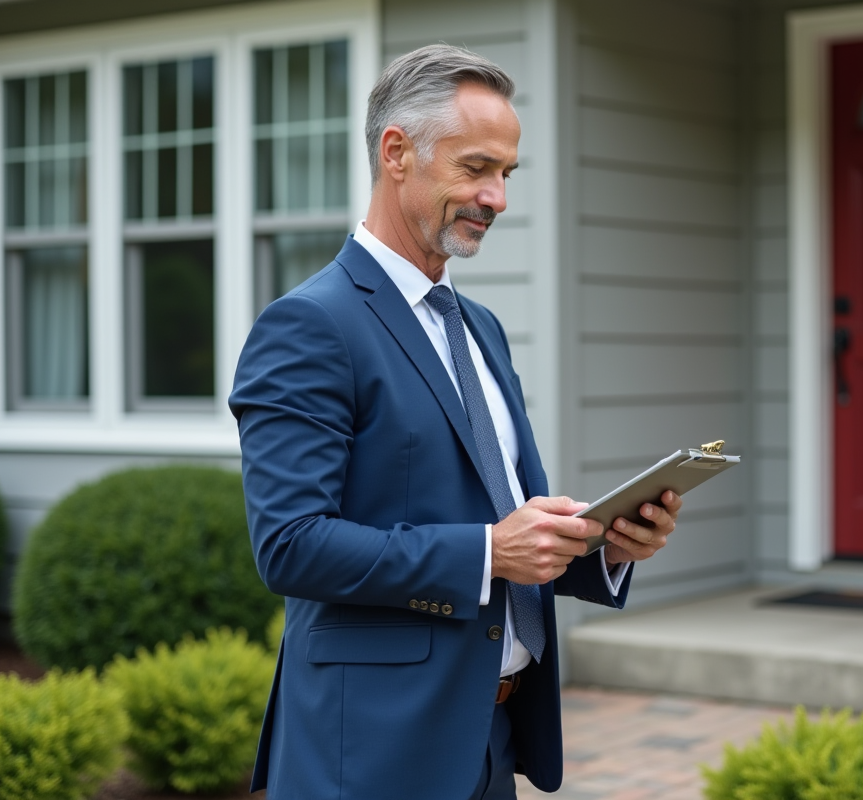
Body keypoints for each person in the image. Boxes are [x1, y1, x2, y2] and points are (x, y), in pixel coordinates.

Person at [229, 44, 683, 800]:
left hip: (489, 741)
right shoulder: (310, 325)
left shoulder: (480, 328)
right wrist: (490, 552)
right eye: (476, 168)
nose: (496, 197)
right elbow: (291, 545)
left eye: (507, 174)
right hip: (371, 751)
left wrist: (602, 545)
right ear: (396, 153)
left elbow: (500, 519)